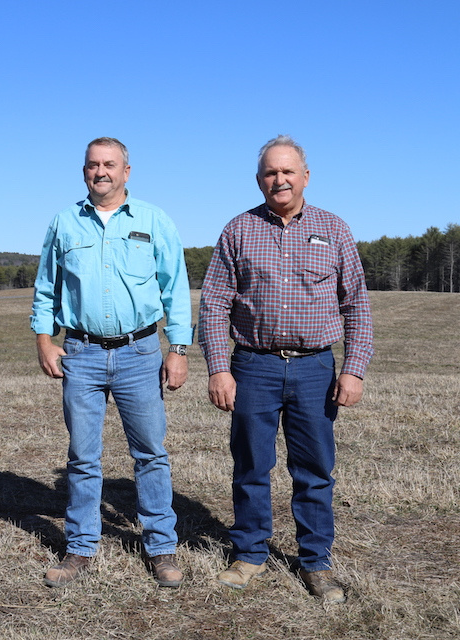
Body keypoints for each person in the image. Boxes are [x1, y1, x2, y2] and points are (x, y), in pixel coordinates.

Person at [198, 135, 374, 604]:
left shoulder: (333, 229)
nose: (280, 179)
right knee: (252, 465)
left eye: (288, 172)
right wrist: (219, 368)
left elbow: (356, 304)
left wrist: (353, 369)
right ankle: (250, 553)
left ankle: (315, 562)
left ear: (305, 177)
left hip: (316, 368)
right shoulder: (238, 230)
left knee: (315, 470)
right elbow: (214, 305)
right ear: (259, 180)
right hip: (252, 366)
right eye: (270, 173)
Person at [31, 137, 193, 589]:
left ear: (126, 170)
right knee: (83, 457)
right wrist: (45, 341)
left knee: (151, 455)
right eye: (92, 165)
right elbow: (46, 289)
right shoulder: (64, 224)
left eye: (109, 164)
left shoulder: (154, 220)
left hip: (140, 353)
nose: (100, 172)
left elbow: (175, 289)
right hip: (79, 354)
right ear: (84, 171)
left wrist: (178, 351)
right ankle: (80, 548)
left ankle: (161, 548)